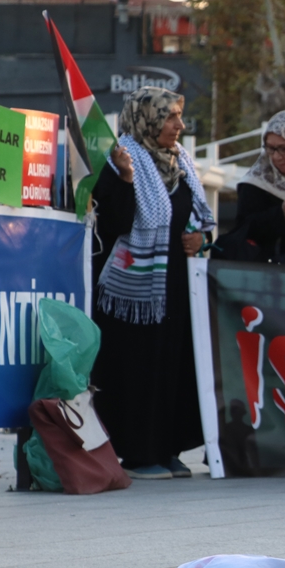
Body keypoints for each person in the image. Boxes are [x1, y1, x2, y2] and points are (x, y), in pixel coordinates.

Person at [90, 87, 214, 479]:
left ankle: (167, 448)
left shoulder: (181, 163)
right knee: (139, 369)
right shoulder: (120, 159)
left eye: (178, 115)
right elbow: (112, 227)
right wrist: (125, 181)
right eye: (169, 116)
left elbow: (203, 222)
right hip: (133, 293)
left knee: (174, 368)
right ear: (146, 119)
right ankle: (139, 453)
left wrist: (202, 239)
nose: (178, 125)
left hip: (176, 286)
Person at [226, 110, 285, 263]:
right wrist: (280, 215)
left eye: (284, 149)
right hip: (269, 275)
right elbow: (242, 231)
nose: (276, 156)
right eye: (270, 148)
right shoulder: (255, 182)